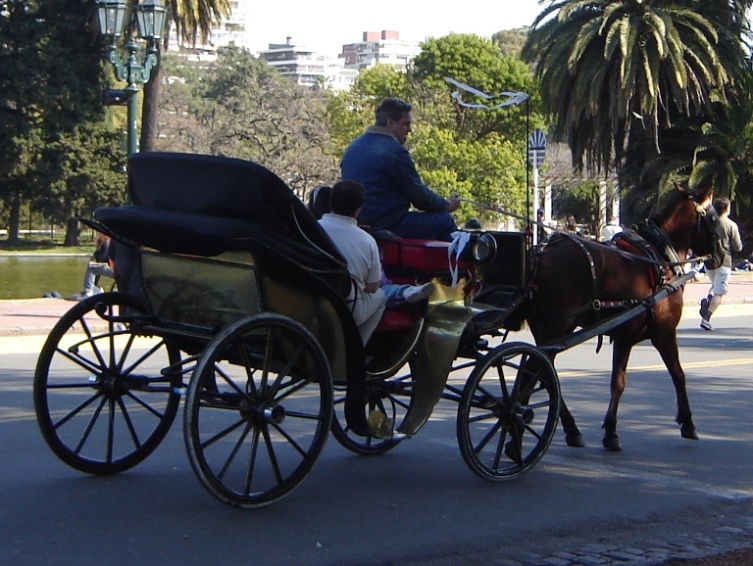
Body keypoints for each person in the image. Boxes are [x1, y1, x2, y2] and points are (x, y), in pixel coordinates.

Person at [340, 97, 460, 242]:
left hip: (357, 221)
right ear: (390, 122)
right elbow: (420, 197)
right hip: (387, 223)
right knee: (444, 221)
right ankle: (459, 263)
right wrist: (447, 205)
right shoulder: (395, 151)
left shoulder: (353, 146)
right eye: (406, 124)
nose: (409, 130)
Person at [308, 184, 434, 312]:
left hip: (315, 292)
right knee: (379, 293)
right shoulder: (366, 238)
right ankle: (403, 292)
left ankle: (404, 291)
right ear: (358, 209)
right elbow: (373, 286)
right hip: (350, 296)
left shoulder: (307, 232)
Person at [699, 196, 742, 331]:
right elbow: (738, 246)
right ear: (727, 209)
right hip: (724, 261)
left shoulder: (708, 222)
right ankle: (706, 318)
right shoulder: (730, 225)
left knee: (714, 284)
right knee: (719, 293)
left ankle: (708, 300)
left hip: (709, 262)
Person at [71, 232, 113, 300]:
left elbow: (99, 261)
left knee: (91, 266)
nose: (97, 235)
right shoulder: (106, 244)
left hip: (116, 270)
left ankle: (89, 293)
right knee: (93, 267)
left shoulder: (106, 244)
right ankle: (94, 289)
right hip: (121, 270)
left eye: (98, 233)